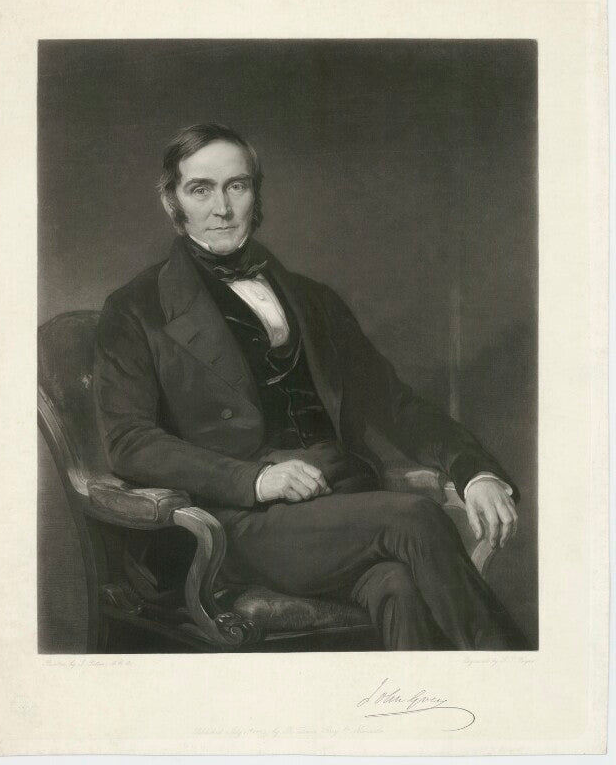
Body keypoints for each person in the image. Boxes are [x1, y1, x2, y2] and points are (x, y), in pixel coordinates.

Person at [94, 122, 529, 650]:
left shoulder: (313, 300)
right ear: (173, 202)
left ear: (256, 194)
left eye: (237, 186)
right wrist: (256, 480)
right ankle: (511, 675)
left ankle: (421, 705)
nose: (222, 208)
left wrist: (474, 470)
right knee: (414, 517)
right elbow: (130, 442)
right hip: (237, 523)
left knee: (398, 587)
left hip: (343, 502)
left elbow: (395, 404)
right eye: (201, 189)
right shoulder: (137, 309)